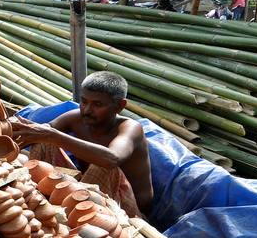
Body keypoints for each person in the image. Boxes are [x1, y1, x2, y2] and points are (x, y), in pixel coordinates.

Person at [9, 70, 153, 218]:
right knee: (43, 141)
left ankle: (76, 213)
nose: (87, 110)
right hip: (85, 191)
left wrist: (53, 135)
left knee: (103, 164)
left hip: (125, 210)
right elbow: (44, 131)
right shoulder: (75, 118)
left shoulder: (130, 128)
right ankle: (38, 197)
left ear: (119, 106)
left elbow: (112, 159)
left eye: (97, 104)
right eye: (84, 102)